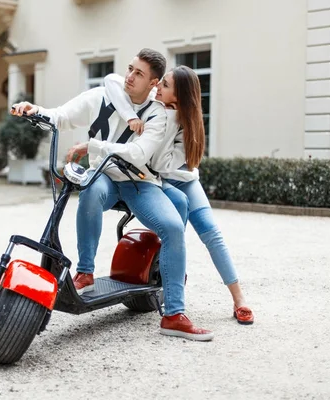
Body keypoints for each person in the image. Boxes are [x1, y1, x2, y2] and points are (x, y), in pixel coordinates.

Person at [12, 49, 214, 341]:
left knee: (172, 228)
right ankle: (85, 272)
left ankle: (173, 315)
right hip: (104, 176)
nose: (130, 77)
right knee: (91, 189)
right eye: (130, 69)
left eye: (139, 74)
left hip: (140, 181)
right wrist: (35, 110)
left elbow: (140, 153)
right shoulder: (102, 96)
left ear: (154, 83)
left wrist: (94, 145)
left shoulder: (159, 114)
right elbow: (63, 116)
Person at [104, 66, 254, 325]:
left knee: (212, 234)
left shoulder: (186, 120)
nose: (157, 87)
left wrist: (168, 122)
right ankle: (171, 274)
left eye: (165, 85)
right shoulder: (155, 106)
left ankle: (239, 299)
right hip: (158, 181)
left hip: (183, 180)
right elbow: (111, 80)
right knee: (174, 231)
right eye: (159, 82)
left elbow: (170, 166)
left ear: (180, 95)